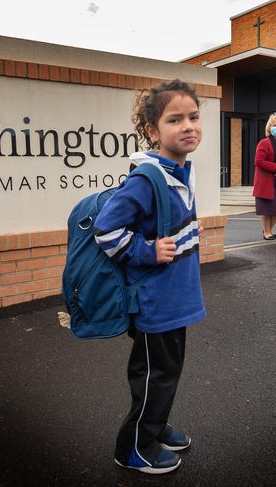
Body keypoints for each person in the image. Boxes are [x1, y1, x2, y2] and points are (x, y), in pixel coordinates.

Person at [93, 79, 206, 475]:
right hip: (154, 303)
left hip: (176, 301)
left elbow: (170, 226)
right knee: (154, 376)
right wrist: (147, 251)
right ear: (153, 131)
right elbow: (106, 231)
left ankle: (154, 427)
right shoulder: (147, 178)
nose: (188, 126)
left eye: (194, 116)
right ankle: (135, 447)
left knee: (167, 373)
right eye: (175, 119)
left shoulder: (179, 170)